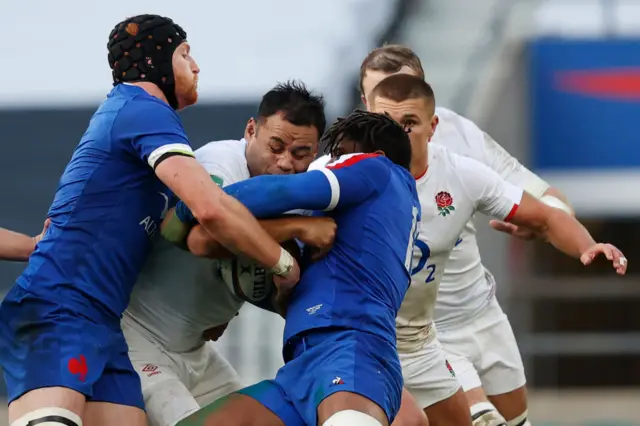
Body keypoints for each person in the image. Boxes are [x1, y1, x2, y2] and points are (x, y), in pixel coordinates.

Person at [0, 15, 299, 426]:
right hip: (61, 306)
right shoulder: (144, 108)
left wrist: (37, 245)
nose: (195, 66)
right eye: (185, 54)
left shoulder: (135, 114)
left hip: (102, 322)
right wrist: (283, 263)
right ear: (156, 59)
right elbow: (210, 207)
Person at [364, 74, 627, 426]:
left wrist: (587, 245)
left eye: (409, 123)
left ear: (433, 124)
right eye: (385, 122)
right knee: (469, 419)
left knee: (515, 419)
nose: (396, 134)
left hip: (478, 314)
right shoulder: (348, 174)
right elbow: (294, 206)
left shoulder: (461, 170)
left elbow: (547, 215)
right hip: (416, 335)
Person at [170, 110, 421, 426]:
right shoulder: (369, 220)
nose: (331, 163)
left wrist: (191, 204)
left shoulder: (378, 170)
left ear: (376, 155)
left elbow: (282, 191)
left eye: (340, 155)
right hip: (301, 368)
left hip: (351, 347)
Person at [122, 81, 335, 426]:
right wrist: (296, 230)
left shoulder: (301, 189)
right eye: (276, 146)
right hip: (141, 341)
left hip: (198, 352)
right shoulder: (219, 162)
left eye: (300, 153)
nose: (284, 163)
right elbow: (204, 237)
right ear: (251, 130)